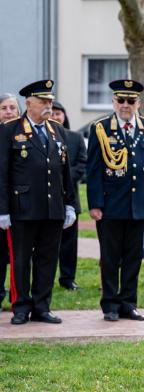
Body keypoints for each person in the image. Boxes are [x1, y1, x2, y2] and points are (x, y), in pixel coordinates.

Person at [86, 79, 144, 322]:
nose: (125, 105)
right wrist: (95, 204)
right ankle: (110, 304)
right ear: (114, 101)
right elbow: (94, 170)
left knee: (133, 257)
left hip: (138, 204)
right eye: (121, 100)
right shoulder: (101, 128)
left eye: (131, 101)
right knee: (110, 257)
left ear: (138, 103)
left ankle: (129, 303)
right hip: (111, 204)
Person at [0, 80, 76, 325]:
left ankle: (42, 306)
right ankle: (21, 306)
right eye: (43, 101)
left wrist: (70, 204)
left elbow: (66, 172)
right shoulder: (10, 129)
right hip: (22, 207)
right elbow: (2, 172)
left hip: (52, 207)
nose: (48, 105)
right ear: (28, 102)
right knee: (21, 259)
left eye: (50, 101)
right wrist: (3, 210)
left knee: (47, 258)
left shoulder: (57, 130)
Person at [51, 101, 87, 290]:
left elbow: (82, 165)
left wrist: (62, 180)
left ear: (64, 116)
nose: (55, 117)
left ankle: (67, 278)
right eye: (52, 113)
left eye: (59, 113)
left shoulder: (75, 137)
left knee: (69, 243)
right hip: (45, 199)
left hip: (69, 198)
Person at [0, 93, 19, 307]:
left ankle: (17, 296)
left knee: (17, 255)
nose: (8, 112)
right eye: (4, 108)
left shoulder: (25, 133)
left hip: (19, 205)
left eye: (12, 107)